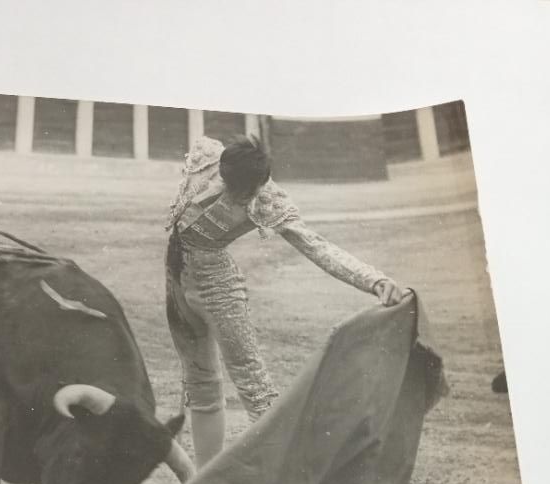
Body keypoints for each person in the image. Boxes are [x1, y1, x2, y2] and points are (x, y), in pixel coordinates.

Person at [166, 135, 405, 467]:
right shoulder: (207, 158)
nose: (246, 199)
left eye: (251, 192)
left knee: (254, 387)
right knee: (201, 383)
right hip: (176, 281)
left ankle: (283, 476)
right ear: (223, 173)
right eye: (241, 191)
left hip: (218, 288)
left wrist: (373, 280)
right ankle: (203, 482)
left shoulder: (266, 197)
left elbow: (316, 246)